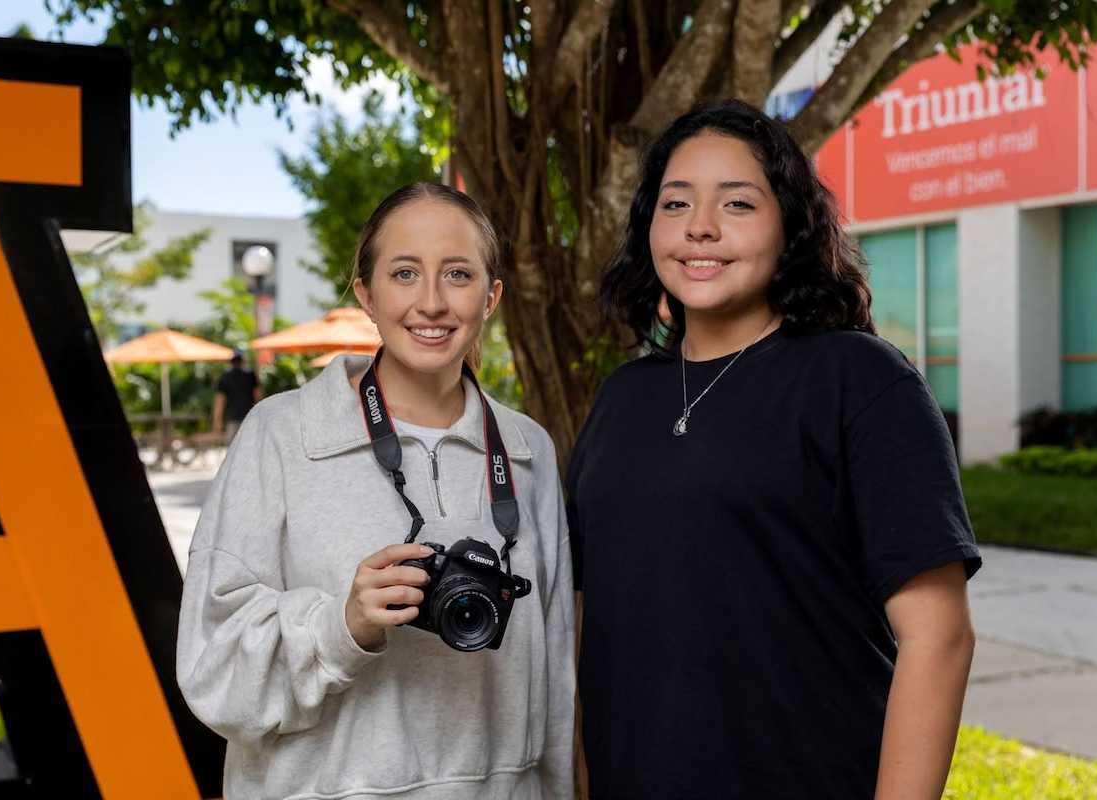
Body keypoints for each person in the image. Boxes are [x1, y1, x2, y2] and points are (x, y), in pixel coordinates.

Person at [569, 100, 981, 799]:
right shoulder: (622, 398)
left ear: (789, 223)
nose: (700, 226)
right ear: (649, 229)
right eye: (675, 204)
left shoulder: (859, 380)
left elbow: (939, 638)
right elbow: (588, 626)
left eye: (737, 203)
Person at [177, 183, 575, 800]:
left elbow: (554, 677)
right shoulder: (281, 436)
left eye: (459, 274)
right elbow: (213, 668)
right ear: (367, 293)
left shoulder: (528, 452)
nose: (433, 302)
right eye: (405, 273)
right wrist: (344, 624)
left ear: (491, 296)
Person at [213, 351, 260, 443]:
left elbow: (220, 400)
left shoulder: (225, 377)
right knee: (250, 446)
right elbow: (258, 395)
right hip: (249, 416)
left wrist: (217, 420)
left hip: (232, 417)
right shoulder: (250, 375)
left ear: (231, 362)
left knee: (232, 449)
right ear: (242, 362)